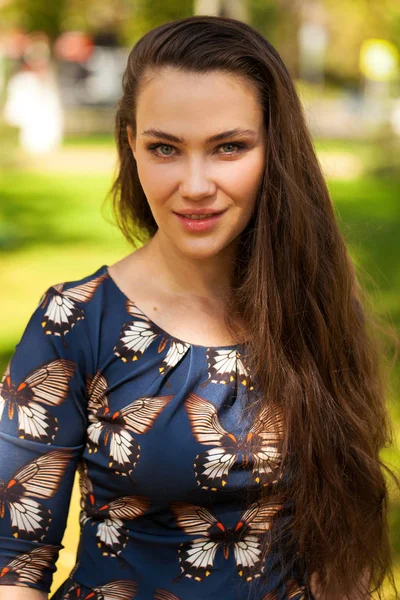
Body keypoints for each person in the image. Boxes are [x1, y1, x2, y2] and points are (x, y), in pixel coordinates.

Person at [0, 15, 398, 600]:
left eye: (228, 147)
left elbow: (342, 545)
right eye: (165, 148)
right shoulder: (75, 322)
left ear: (274, 149)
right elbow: (14, 564)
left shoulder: (317, 307)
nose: (195, 184)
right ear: (130, 144)